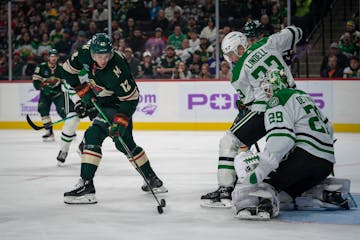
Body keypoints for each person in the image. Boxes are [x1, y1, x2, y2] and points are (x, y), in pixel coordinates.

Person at [200, 26, 302, 208]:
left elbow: (249, 103)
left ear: (240, 47)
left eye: (231, 54)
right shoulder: (267, 43)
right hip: (295, 103)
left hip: (266, 110)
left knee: (228, 142)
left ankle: (225, 189)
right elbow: (296, 32)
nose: (230, 59)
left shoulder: (237, 72)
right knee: (295, 142)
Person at [61, 33, 167, 204]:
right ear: (91, 52)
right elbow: (66, 72)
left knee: (92, 135)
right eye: (98, 56)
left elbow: (131, 99)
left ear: (111, 53)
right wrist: (83, 95)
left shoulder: (117, 68)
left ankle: (86, 187)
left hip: (118, 105)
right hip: (104, 101)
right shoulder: (83, 53)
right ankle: (153, 180)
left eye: (106, 56)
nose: (102, 60)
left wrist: (119, 122)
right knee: (124, 143)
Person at [232, 69, 352, 220]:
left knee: (263, 184)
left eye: (268, 88)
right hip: (325, 164)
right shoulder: (303, 96)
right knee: (286, 193)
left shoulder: (278, 99)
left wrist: (263, 168)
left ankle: (264, 204)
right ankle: (319, 193)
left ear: (277, 86)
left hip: (303, 158)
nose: (267, 93)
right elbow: (329, 127)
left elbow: (282, 138)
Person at [32, 49, 80, 165]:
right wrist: (43, 87)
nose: (53, 58)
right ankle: (49, 131)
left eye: (55, 56)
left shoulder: (61, 68)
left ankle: (70, 130)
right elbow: (36, 81)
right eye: (51, 56)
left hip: (58, 94)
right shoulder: (42, 67)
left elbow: (66, 82)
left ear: (58, 57)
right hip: (45, 94)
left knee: (64, 111)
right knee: (43, 109)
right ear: (48, 57)